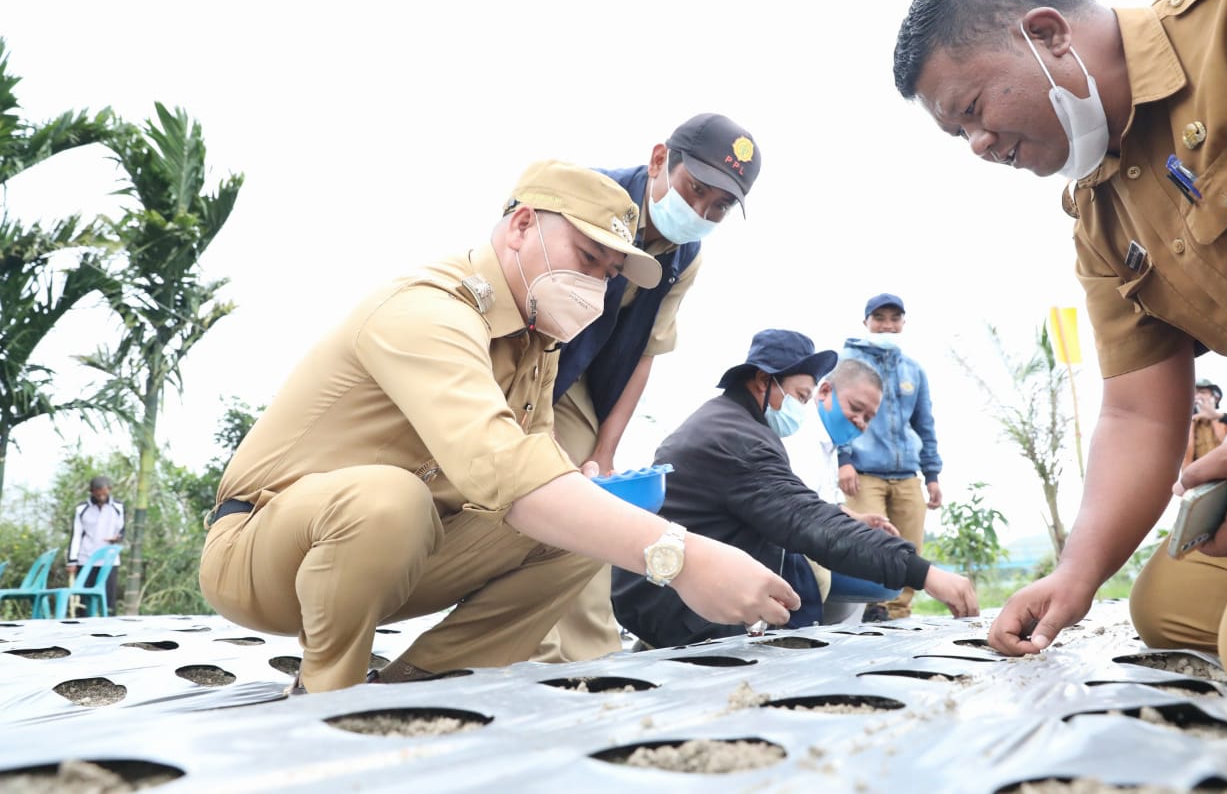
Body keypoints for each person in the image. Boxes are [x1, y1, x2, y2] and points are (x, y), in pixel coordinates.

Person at [199, 160, 800, 694]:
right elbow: (501, 469)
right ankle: (328, 698)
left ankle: (417, 691)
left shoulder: (535, 344)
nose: (595, 287)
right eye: (587, 258)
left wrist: (590, 495)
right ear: (521, 226)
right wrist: (684, 558)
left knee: (583, 518)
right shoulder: (428, 309)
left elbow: (534, 475)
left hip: (402, 555)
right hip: (264, 552)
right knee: (391, 499)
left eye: (609, 273)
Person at [894, 0, 1227, 696]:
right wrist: (1075, 572)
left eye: (973, 110)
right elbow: (1139, 411)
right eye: (957, 136)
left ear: (1047, 34)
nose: (978, 146)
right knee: (1170, 605)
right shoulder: (1101, 214)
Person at [539, 114, 762, 663]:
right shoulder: (587, 198)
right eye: (694, 191)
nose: (701, 213)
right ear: (661, 160)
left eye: (719, 207)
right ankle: (528, 658)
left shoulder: (686, 255)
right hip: (525, 361)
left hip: (582, 385)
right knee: (534, 497)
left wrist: (605, 450)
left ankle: (590, 668)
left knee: (590, 508)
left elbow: (645, 353)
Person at [611, 329, 977, 649]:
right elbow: (808, 521)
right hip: (676, 608)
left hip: (661, 591)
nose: (803, 408)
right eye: (801, 397)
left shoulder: (729, 422)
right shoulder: (738, 439)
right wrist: (925, 573)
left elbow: (797, 505)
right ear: (762, 381)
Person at [836, 293, 942, 621]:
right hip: (864, 472)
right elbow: (837, 414)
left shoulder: (913, 370)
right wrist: (844, 460)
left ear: (903, 323)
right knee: (869, 545)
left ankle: (899, 613)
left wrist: (933, 475)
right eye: (879, 318)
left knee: (909, 548)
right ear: (866, 322)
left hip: (907, 473)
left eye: (895, 319)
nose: (887, 325)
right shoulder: (848, 362)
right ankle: (872, 610)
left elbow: (924, 424)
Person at [783, 358, 903, 623]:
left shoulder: (830, 445)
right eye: (856, 409)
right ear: (824, 392)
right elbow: (798, 509)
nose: (860, 422)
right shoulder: (799, 435)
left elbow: (824, 502)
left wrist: (858, 519)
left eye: (868, 418)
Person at [66, 476, 126, 616]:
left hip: (109, 559)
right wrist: (72, 560)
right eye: (98, 494)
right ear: (92, 492)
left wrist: (118, 538)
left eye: (104, 494)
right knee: (84, 598)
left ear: (109, 490)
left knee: (109, 598)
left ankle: (110, 626)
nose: (101, 497)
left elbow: (122, 529)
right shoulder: (82, 509)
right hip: (86, 558)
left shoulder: (118, 507)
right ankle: (82, 627)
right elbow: (76, 534)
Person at [1183, 378, 1227, 469]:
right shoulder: (1186, 429)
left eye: (1203, 392)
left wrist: (1218, 416)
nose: (1198, 397)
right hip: (1200, 480)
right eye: (1195, 393)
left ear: (1215, 398)